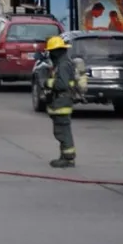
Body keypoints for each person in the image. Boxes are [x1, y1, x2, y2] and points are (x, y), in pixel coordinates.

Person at [43, 36, 77, 168]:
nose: (50, 54)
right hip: (61, 100)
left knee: (62, 130)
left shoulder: (63, 65)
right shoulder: (63, 62)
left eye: (51, 51)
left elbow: (62, 84)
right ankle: (65, 156)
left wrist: (48, 83)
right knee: (61, 129)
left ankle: (68, 158)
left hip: (62, 101)